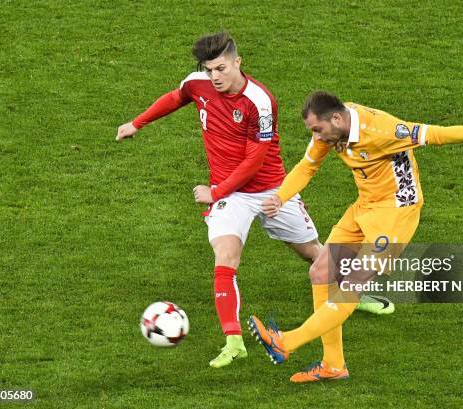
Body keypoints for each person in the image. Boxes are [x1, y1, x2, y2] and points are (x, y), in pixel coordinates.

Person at [248, 91, 463, 382]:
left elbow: (435, 134)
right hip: (365, 205)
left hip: (395, 214)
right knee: (321, 271)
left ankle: (287, 342)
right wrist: (281, 197)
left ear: (337, 119)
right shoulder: (332, 130)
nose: (316, 136)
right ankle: (333, 365)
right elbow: (308, 166)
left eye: (317, 129)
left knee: (352, 284)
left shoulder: (383, 130)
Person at [115, 31, 322, 368]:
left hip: (270, 189)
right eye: (209, 69)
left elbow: (256, 158)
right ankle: (234, 340)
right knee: (225, 257)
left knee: (314, 253)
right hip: (231, 195)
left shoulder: (260, 101)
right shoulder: (199, 83)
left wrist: (216, 191)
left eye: (221, 68)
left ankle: (352, 296)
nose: (215, 77)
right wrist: (137, 123)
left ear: (238, 62)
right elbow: (175, 97)